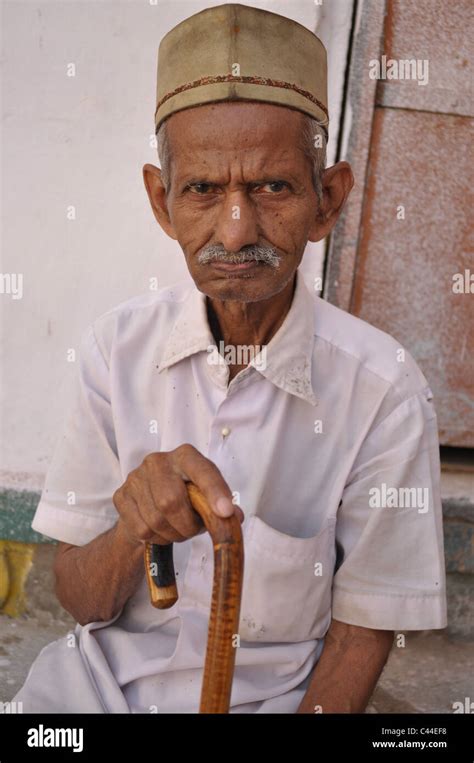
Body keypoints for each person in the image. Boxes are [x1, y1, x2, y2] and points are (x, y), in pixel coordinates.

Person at [13, 3, 447, 713]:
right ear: (162, 200)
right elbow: (80, 598)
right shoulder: (114, 350)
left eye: (273, 187)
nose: (237, 228)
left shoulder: (383, 388)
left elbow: (362, 630)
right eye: (203, 190)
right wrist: (133, 529)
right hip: (93, 697)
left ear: (327, 201)